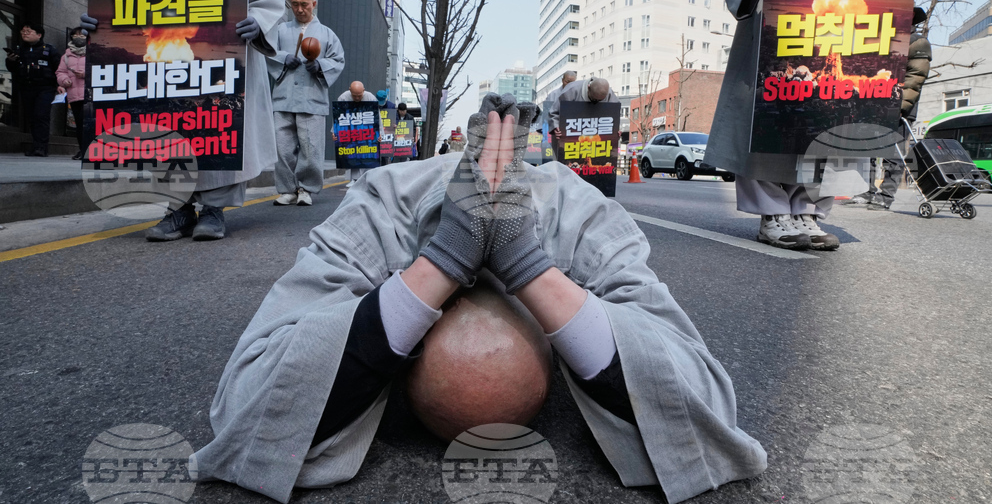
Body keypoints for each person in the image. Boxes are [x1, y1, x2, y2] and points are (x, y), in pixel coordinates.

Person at [190, 94, 767, 504]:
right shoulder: (387, 201)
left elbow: (247, 415)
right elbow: (707, 418)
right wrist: (518, 268)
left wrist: (461, 264)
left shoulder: (571, 209)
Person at [703, 0, 929, 251]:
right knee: (778, 116)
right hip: (790, 38)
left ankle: (808, 211)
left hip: (841, 39)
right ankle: (774, 212)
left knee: (832, 124)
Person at [80, 0, 286, 241]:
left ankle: (212, 209)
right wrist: (96, 22)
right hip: (158, 58)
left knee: (214, 123)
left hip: (216, 59)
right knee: (165, 122)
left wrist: (256, 22)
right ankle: (175, 209)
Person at [269, 0, 346, 207]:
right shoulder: (281, 30)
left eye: (304, 4)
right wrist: (284, 58)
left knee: (311, 148)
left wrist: (320, 65)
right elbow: (269, 52)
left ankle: (306, 188)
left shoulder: (327, 33)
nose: (300, 9)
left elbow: (338, 59)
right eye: (295, 4)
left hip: (312, 98)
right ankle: (287, 190)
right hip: (283, 97)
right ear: (289, 4)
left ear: (314, 4)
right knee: (282, 148)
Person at [848, 7, 932, 210]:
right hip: (875, 105)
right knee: (867, 150)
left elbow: (915, 77)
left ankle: (885, 196)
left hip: (900, 108)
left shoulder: (917, 41)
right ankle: (866, 191)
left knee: (892, 154)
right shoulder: (882, 40)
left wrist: (901, 106)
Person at [4, 23, 57, 156]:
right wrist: (11, 60)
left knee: (41, 115)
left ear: (39, 35)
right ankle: (35, 145)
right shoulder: (19, 50)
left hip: (45, 87)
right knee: (32, 117)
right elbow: (13, 69)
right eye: (23, 32)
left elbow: (58, 68)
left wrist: (60, 84)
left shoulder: (49, 50)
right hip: (26, 87)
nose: (25, 33)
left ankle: (42, 147)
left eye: (28, 31)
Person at [55, 27, 90, 160]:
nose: (78, 37)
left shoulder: (94, 52)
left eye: (81, 35)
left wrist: (86, 75)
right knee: (80, 124)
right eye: (75, 35)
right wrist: (64, 80)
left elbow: (102, 70)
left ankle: (92, 150)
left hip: (90, 95)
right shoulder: (66, 56)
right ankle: (83, 150)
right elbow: (60, 72)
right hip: (74, 95)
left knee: (90, 123)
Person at [548, 76, 619, 141]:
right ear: (588, 87)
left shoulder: (609, 94)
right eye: (593, 99)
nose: (595, 103)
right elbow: (554, 112)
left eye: (599, 100)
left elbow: (615, 114)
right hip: (571, 135)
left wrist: (617, 129)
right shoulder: (571, 90)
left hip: (596, 137)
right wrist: (556, 127)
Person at [336, 81, 377, 188]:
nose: (357, 98)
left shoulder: (370, 98)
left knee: (366, 153)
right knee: (353, 153)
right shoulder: (343, 98)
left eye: (359, 96)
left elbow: (377, 117)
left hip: (366, 130)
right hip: (351, 130)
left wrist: (379, 133)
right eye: (354, 96)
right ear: (349, 90)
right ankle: (354, 179)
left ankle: (365, 179)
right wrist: (335, 132)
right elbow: (337, 117)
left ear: (364, 90)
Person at [545, 69, 579, 136]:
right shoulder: (552, 95)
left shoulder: (578, 95)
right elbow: (547, 116)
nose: (569, 85)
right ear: (562, 80)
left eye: (572, 83)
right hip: (556, 132)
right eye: (567, 82)